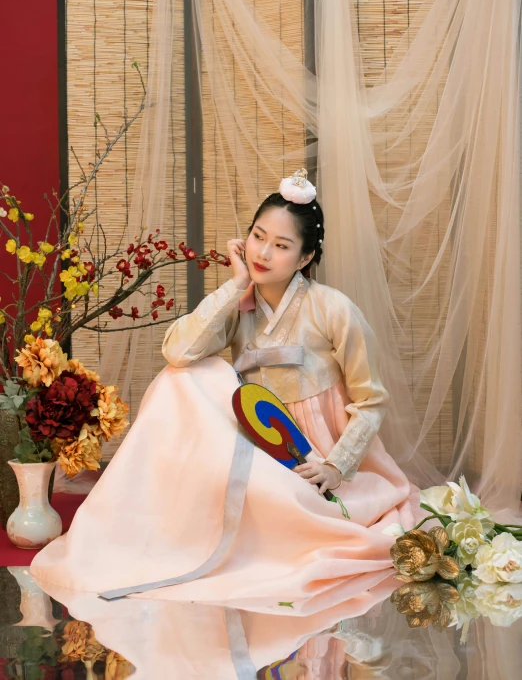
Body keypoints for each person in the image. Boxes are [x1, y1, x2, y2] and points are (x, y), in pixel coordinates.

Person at [30, 169, 420, 612]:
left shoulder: (334, 310)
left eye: (282, 245)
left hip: (315, 452)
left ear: (306, 256)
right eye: (258, 236)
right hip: (256, 443)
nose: (264, 252)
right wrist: (236, 286)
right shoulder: (240, 305)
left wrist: (335, 466)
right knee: (182, 379)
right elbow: (178, 352)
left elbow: (371, 402)